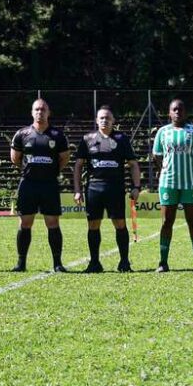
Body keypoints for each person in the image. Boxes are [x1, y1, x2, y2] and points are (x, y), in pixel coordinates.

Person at [73, 105, 141, 273]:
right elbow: (78, 165)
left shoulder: (121, 139)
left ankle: (124, 262)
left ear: (113, 121)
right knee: (93, 225)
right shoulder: (87, 139)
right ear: (97, 120)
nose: (104, 120)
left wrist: (136, 186)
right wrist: (77, 189)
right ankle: (94, 263)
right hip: (94, 188)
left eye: (108, 118)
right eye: (101, 118)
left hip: (115, 189)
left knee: (119, 224)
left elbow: (133, 164)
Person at [10, 98, 71, 272]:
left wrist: (52, 170)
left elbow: (64, 157)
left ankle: (57, 263)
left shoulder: (57, 136)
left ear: (48, 113)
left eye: (43, 109)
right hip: (28, 184)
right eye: (36, 109)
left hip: (49, 185)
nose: (40, 112)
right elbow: (15, 158)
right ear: (32, 112)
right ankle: (21, 263)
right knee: (25, 223)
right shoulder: (22, 134)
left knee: (52, 223)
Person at [152, 99, 193, 272]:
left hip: (190, 183)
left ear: (186, 112)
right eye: (174, 110)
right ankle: (163, 262)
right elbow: (157, 156)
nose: (178, 112)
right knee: (167, 222)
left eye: (181, 109)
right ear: (169, 113)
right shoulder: (163, 132)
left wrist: (192, 171)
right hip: (168, 183)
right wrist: (166, 170)